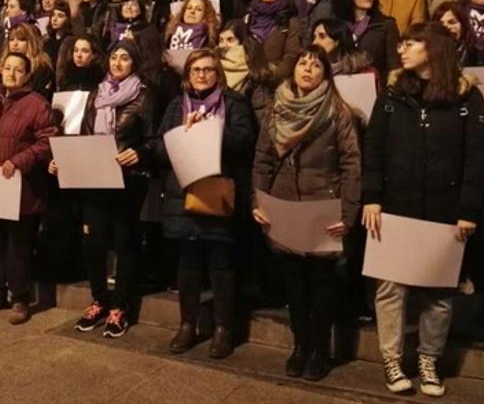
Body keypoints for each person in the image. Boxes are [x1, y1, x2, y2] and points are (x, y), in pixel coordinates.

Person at [362, 23, 484, 397]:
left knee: (439, 291)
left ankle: (428, 359)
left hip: (444, 208)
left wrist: (468, 208)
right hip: (396, 205)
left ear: (433, 48)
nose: (402, 49)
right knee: (390, 287)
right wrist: (373, 197)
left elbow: (476, 158)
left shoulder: (466, 98)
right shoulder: (392, 94)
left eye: (412, 43)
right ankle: (391, 359)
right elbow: (375, 148)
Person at [253, 45, 361, 381]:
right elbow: (263, 159)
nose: (308, 70)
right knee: (294, 283)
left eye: (316, 65)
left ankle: (319, 350)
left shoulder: (337, 110)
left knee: (322, 283)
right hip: (285, 204)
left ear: (325, 73)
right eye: (302, 64)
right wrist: (258, 202)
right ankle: (299, 346)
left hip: (322, 205)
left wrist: (348, 211)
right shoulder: (277, 108)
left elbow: (351, 163)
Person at [150, 49, 255, 359]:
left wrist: (211, 130)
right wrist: (184, 133)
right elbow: (158, 146)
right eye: (196, 70)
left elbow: (245, 140)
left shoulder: (234, 103)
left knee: (221, 263)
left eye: (208, 70)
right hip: (182, 192)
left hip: (217, 192)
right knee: (189, 262)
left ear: (217, 74)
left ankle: (223, 328)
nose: (201, 75)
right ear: (187, 75)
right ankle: (187, 324)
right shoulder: (175, 106)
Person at [61, 40, 153, 338]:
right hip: (95, 177)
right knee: (93, 243)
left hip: (128, 179)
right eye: (114, 57)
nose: (118, 62)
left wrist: (140, 152)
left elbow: (154, 138)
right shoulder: (95, 95)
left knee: (125, 243)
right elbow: (80, 133)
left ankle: (121, 306)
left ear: (134, 63)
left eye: (125, 58)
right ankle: (99, 299)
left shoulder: (143, 95)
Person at [0, 52, 56, 325]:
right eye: (8, 68)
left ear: (28, 75)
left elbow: (47, 140)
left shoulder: (37, 104)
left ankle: (20, 298)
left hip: (22, 188)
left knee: (19, 246)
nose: (12, 73)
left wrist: (19, 161)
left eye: (18, 70)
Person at [332, 0, 401, 82]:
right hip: (340, 83)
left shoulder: (385, 24)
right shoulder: (338, 25)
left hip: (373, 85)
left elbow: (394, 65)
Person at [243, 0, 301, 84]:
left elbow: (292, 56)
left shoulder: (289, 21)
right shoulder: (249, 17)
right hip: (245, 80)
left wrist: (271, 76)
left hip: (272, 83)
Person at [216, 20, 272, 101]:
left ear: (242, 42)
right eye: (221, 40)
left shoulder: (255, 73)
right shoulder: (212, 65)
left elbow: (261, 109)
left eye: (230, 40)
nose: (223, 45)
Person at [0, 23, 53, 99]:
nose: (15, 44)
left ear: (31, 42)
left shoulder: (42, 68)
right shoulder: (1, 66)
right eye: (11, 40)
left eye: (21, 39)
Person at [431, 1, 484, 68]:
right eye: (440, 24)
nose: (446, 27)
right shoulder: (428, 60)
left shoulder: (481, 61)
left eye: (452, 22)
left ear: (464, 26)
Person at [311, 18, 378, 78]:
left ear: (338, 40)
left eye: (322, 36)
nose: (314, 42)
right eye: (314, 38)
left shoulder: (364, 72)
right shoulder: (309, 69)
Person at [43, 1, 72, 68]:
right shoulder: (46, 40)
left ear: (68, 19)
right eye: (53, 15)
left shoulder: (70, 41)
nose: (54, 19)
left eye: (60, 16)